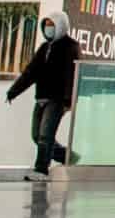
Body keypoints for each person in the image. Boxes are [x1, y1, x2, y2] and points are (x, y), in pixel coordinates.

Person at [6, 14, 81, 182]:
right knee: (36, 136)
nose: (48, 28)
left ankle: (41, 170)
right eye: (46, 25)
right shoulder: (44, 48)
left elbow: (73, 75)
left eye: (51, 25)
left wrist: (69, 100)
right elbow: (31, 72)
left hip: (57, 100)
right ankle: (69, 157)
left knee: (45, 136)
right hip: (41, 98)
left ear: (61, 26)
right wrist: (14, 91)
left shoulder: (71, 47)